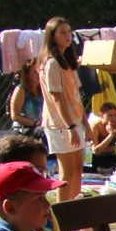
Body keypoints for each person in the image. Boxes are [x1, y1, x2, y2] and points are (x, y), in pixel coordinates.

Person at [36, 17, 89, 201]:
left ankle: (77, 210)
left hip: (75, 122)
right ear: (52, 36)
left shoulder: (68, 62)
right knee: (66, 172)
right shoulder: (51, 63)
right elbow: (57, 99)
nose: (68, 36)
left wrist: (85, 123)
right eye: (63, 32)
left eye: (69, 32)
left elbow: (76, 96)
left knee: (77, 169)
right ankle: (65, 215)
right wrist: (71, 128)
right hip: (61, 124)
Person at [7, 60, 43, 133]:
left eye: (40, 71)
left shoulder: (43, 90)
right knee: (43, 133)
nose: (38, 74)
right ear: (27, 74)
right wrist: (34, 124)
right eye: (35, 72)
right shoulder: (21, 90)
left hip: (39, 126)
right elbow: (15, 116)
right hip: (23, 128)